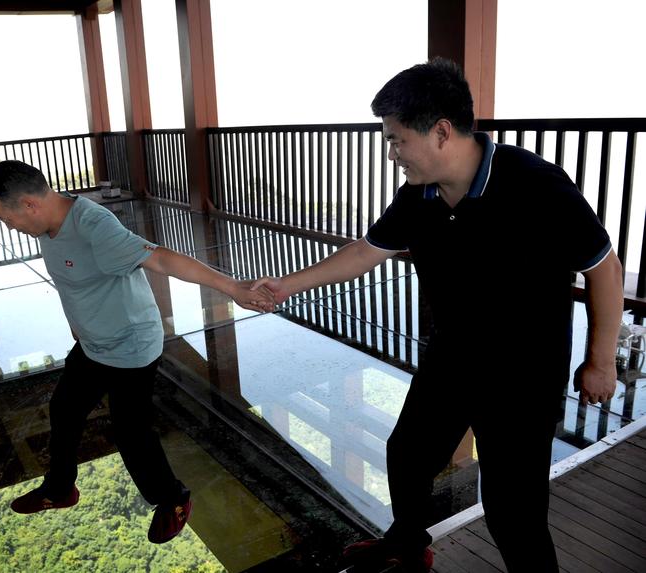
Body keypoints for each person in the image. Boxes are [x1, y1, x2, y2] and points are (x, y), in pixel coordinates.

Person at [251, 59, 623, 572]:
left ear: (442, 132)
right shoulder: (419, 196)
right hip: (453, 356)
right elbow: (367, 251)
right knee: (407, 457)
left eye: (397, 140)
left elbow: (604, 268)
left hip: (523, 373)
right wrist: (284, 286)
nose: (391, 154)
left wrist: (600, 361)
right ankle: (408, 545)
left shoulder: (536, 186)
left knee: (513, 511)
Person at [0, 160, 273, 544]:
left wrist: (233, 287)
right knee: (64, 410)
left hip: (130, 346)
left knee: (131, 433)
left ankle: (174, 499)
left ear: (30, 205)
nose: (9, 227)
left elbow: (162, 258)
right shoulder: (49, 225)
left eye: (6, 218)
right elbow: (76, 281)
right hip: (94, 343)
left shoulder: (94, 226)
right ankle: (60, 489)